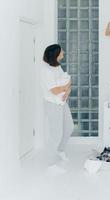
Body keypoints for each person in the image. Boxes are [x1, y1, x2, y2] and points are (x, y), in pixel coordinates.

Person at [41, 44, 74, 173]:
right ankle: (50, 164)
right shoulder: (45, 70)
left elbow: (68, 80)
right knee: (56, 133)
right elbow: (54, 90)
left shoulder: (57, 66)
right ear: (55, 54)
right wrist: (65, 88)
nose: (63, 52)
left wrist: (67, 90)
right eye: (61, 52)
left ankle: (59, 150)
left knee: (69, 127)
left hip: (62, 102)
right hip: (52, 104)